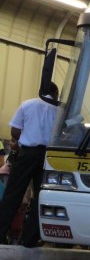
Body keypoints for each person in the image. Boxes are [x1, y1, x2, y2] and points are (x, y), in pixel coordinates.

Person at [0, 83, 59, 246]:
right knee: (40, 197)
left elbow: (15, 131)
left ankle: (0, 234)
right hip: (48, 157)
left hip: (27, 154)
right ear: (55, 93)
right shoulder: (59, 110)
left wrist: (24, 138)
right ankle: (29, 239)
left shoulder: (27, 104)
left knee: (13, 194)